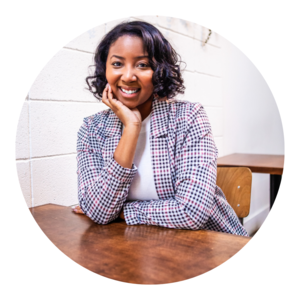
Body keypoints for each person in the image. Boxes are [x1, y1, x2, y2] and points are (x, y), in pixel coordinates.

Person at [73, 20, 248, 236]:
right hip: (134, 249)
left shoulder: (188, 118)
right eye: (117, 64)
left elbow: (192, 212)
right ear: (105, 69)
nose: (128, 76)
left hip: (211, 245)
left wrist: (121, 211)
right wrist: (131, 128)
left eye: (142, 65)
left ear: (159, 71)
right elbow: (99, 213)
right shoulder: (92, 129)